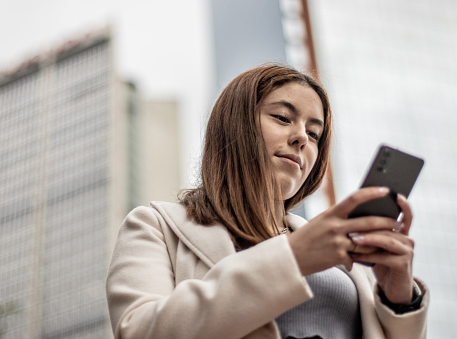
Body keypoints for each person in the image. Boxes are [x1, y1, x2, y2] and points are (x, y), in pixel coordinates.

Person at [106, 64, 429, 339]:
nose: (302, 137)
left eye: (314, 134)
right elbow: (140, 331)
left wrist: (399, 301)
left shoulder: (343, 262)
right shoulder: (155, 227)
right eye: (283, 118)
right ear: (236, 125)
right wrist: (292, 259)